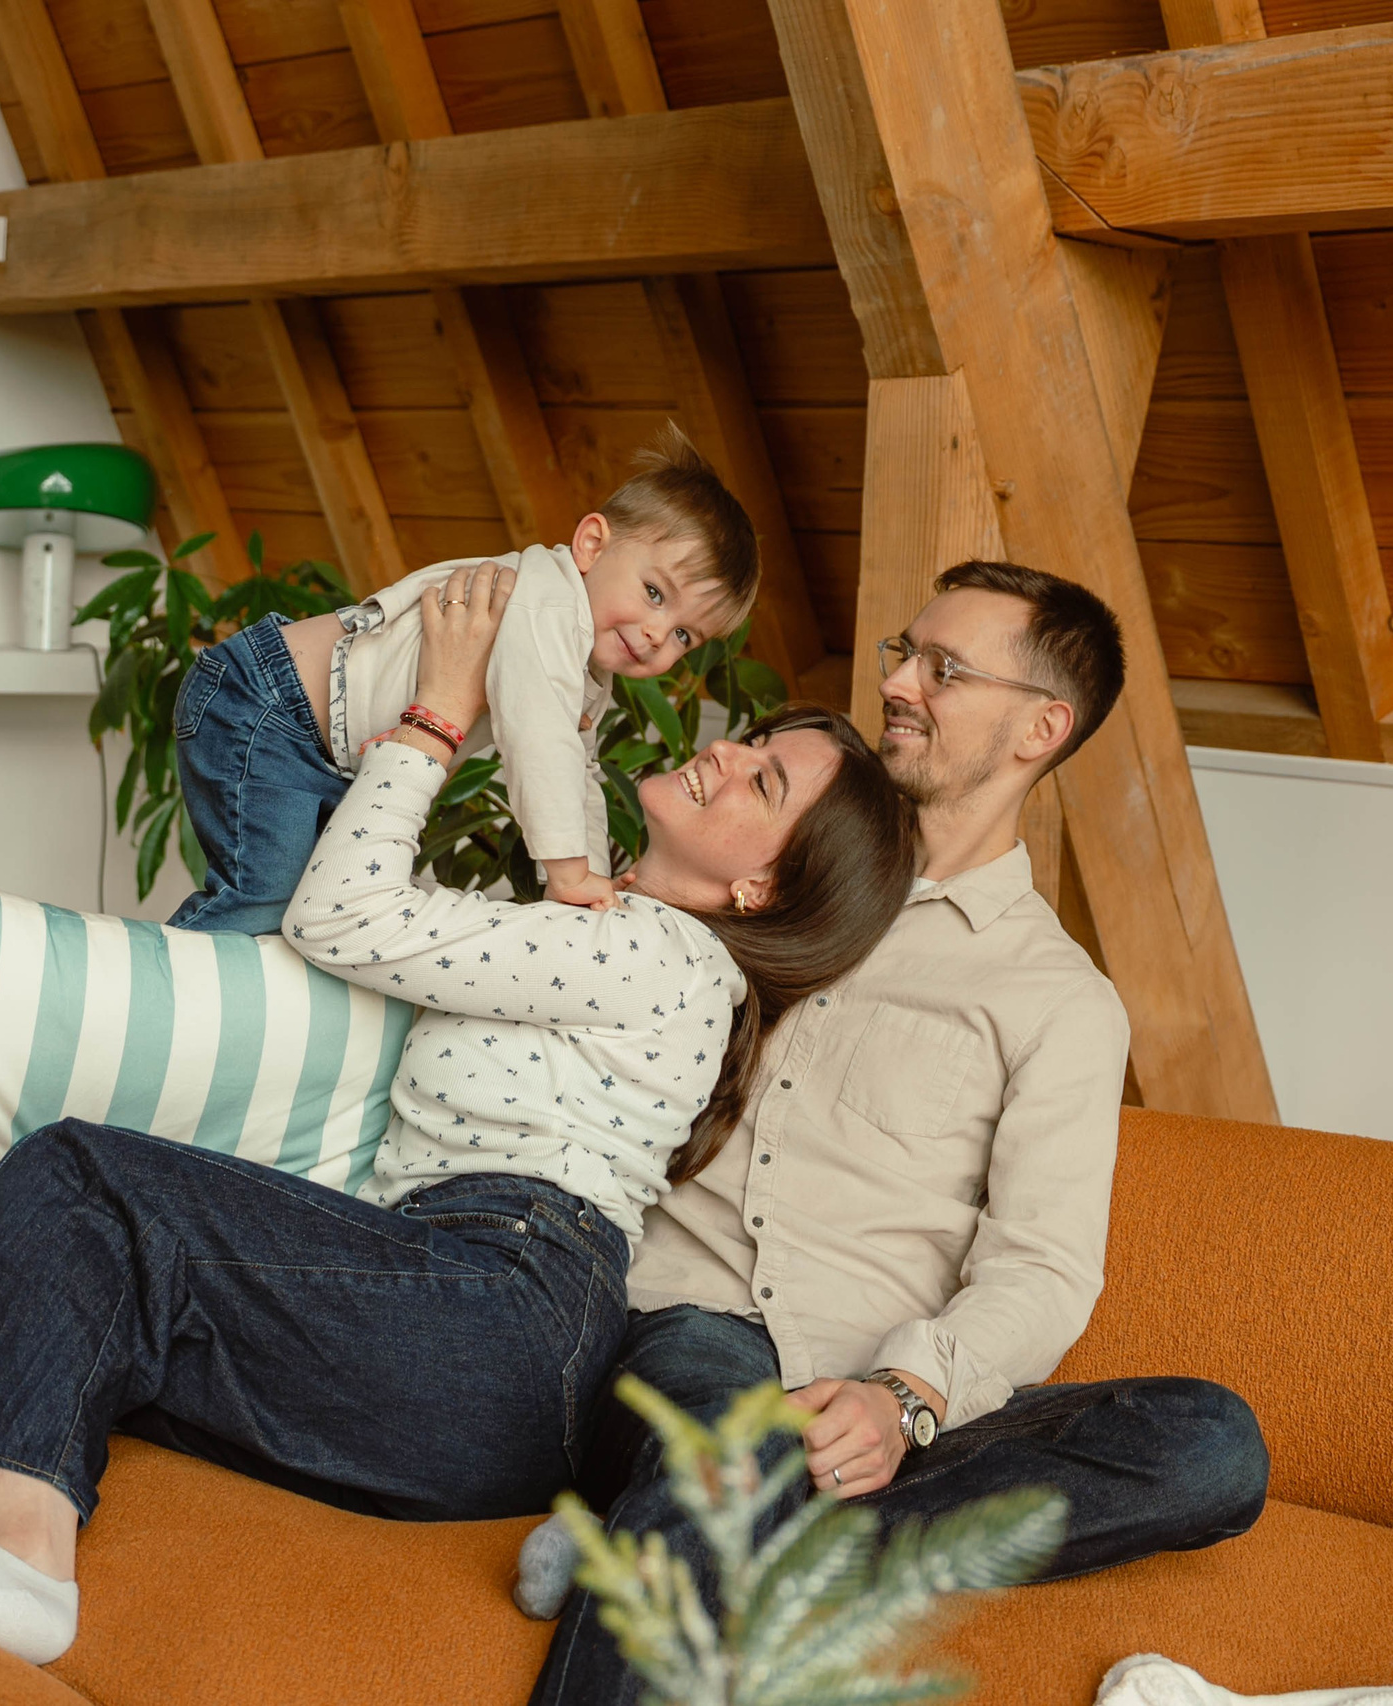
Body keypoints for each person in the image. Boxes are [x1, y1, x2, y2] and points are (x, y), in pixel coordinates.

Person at [0, 560, 920, 1668]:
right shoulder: (599, 917)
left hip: (502, 1312)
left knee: (80, 1175)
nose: (726, 753)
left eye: (761, 779)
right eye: (756, 741)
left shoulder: (658, 953)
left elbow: (343, 918)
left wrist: (438, 710)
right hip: (474, 1326)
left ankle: (22, 1556)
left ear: (761, 887)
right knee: (114, 1285)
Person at [521, 561, 1273, 1706]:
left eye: (945, 667)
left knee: (1211, 1442)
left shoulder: (1058, 998)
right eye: (903, 652)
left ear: (1041, 726)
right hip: (700, 1337)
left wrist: (904, 1393)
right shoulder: (766, 857)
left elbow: (1044, 1266)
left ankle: (690, 1549)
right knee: (731, 1445)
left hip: (885, 1406)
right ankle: (704, 1524)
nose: (901, 683)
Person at [171, 424, 755, 927]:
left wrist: (592, 883)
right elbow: (539, 742)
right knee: (260, 905)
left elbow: (577, 769)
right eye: (655, 593)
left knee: (311, 911)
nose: (658, 633)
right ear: (592, 544)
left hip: (317, 745)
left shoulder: (583, 666)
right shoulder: (547, 606)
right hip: (269, 705)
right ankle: (141, 988)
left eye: (684, 635)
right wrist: (568, 873)